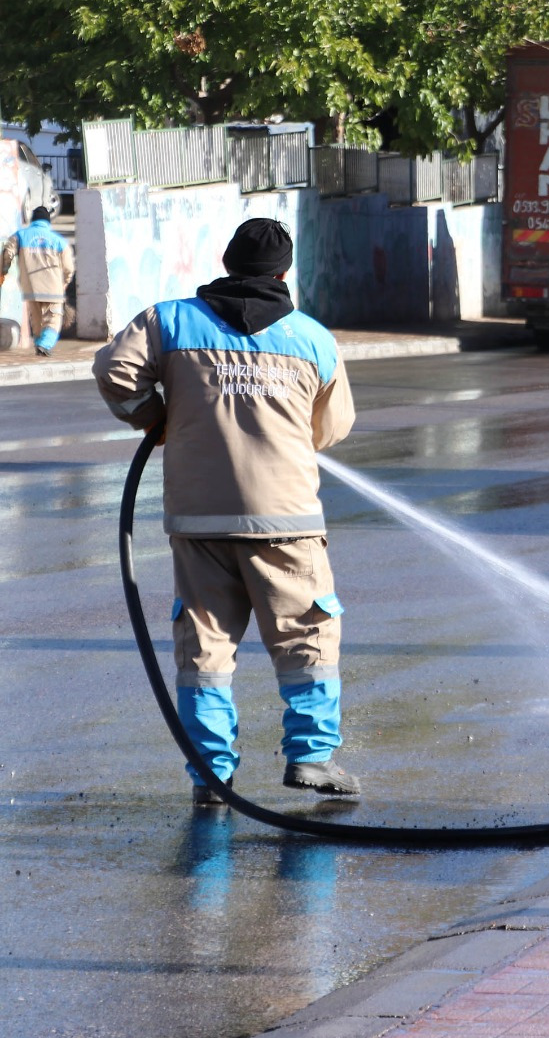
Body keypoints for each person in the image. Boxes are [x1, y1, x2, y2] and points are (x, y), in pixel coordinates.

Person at [92, 218, 361, 806]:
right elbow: (333, 427)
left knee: (205, 648)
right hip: (286, 520)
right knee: (306, 634)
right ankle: (312, 759)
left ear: (226, 261)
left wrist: (153, 417)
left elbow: (115, 372)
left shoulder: (169, 321)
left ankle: (211, 774)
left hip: (198, 519)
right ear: (284, 273)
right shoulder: (311, 337)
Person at [0, 205, 74, 356]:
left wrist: (3, 270)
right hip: (54, 288)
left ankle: (39, 347)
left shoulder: (20, 235)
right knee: (53, 319)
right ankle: (43, 345)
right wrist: (64, 283)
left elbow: (7, 252)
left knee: (37, 320)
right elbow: (69, 268)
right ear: (48, 221)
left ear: (33, 220)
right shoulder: (59, 241)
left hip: (30, 289)